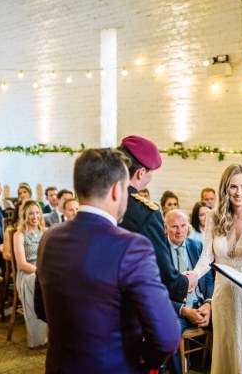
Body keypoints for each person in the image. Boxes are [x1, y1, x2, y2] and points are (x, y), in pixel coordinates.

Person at [34, 148, 180, 372]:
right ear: (115, 190)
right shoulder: (132, 247)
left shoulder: (49, 238)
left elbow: (41, 310)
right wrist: (142, 360)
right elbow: (167, 337)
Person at [192, 164, 242, 374]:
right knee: (226, 356)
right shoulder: (214, 217)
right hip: (224, 300)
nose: (239, 192)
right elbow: (206, 257)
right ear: (225, 189)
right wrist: (193, 275)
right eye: (233, 187)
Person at [118, 135, 194, 303]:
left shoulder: (103, 199)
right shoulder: (145, 212)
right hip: (128, 304)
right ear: (141, 173)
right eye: (151, 173)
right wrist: (184, 282)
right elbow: (161, 269)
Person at [165, 209, 214, 374]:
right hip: (176, 310)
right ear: (165, 228)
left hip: (200, 305)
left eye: (183, 226)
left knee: (226, 322)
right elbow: (157, 291)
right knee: (169, 335)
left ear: (188, 227)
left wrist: (208, 304)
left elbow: (208, 280)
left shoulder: (196, 246)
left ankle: (210, 368)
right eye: (174, 227)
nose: (179, 231)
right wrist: (184, 310)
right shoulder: (160, 252)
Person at [13, 200, 47, 348]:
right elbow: (21, 264)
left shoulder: (46, 232)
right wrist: (42, 272)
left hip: (45, 272)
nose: (35, 217)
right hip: (28, 274)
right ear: (25, 216)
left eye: (37, 212)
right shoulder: (19, 235)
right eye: (31, 213)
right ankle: (39, 337)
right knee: (38, 279)